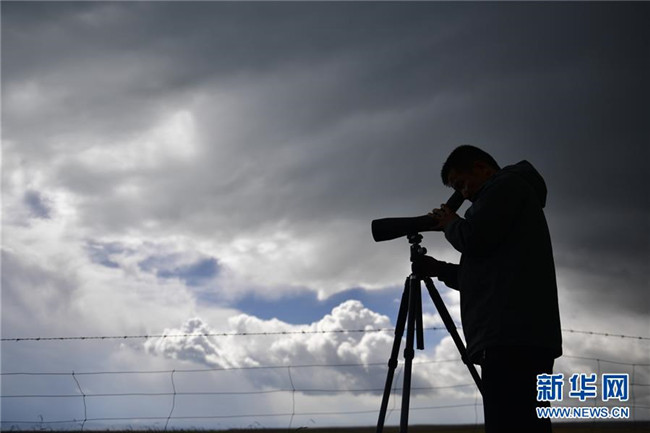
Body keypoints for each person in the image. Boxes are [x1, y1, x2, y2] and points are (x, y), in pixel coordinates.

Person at [413, 145, 562, 432]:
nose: (464, 194)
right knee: (525, 423)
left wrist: (450, 223)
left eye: (461, 184)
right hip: (517, 335)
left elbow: (474, 240)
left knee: (511, 424)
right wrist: (440, 270)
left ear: (481, 168)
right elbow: (486, 275)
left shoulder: (504, 187)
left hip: (510, 338)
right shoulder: (507, 199)